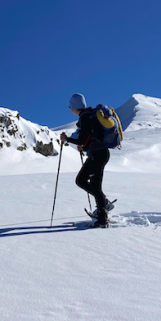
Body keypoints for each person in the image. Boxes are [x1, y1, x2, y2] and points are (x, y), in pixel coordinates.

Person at [60, 93, 113, 227]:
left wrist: (67, 139)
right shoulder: (89, 115)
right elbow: (91, 138)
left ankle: (102, 218)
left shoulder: (85, 117)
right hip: (97, 154)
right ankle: (104, 203)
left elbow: (83, 139)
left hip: (98, 155)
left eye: (70, 107)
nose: (70, 109)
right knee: (81, 180)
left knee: (95, 186)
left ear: (74, 107)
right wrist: (84, 148)